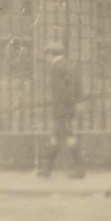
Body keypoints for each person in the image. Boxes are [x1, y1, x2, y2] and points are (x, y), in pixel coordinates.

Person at [39, 42, 85, 179]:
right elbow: (78, 84)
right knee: (55, 137)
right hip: (68, 107)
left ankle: (80, 168)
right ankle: (47, 169)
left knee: (67, 137)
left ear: (51, 54)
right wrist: (78, 102)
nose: (46, 58)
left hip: (61, 108)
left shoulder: (56, 67)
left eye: (46, 55)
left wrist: (63, 103)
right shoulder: (68, 64)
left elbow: (62, 90)